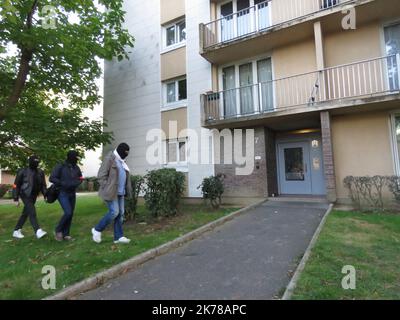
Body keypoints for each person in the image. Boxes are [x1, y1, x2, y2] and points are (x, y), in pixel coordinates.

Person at [92, 143, 132, 244]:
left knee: (120, 214)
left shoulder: (122, 161)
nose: (126, 154)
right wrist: (107, 187)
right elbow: (101, 176)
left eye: (127, 153)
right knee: (114, 212)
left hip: (120, 192)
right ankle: (97, 229)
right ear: (119, 151)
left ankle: (118, 237)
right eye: (125, 152)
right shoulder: (110, 159)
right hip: (111, 192)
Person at [50, 150, 83, 241]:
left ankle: (66, 234)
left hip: (72, 192)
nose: (77, 159)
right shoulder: (60, 166)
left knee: (70, 214)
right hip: (62, 192)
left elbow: (80, 177)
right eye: (75, 157)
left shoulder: (76, 167)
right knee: (68, 212)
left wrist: (78, 182)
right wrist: (63, 183)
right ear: (70, 157)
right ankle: (58, 230)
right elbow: (52, 178)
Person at [12, 155, 48, 239]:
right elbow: (16, 185)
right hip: (24, 193)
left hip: (34, 195)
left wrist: (45, 195)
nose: (36, 163)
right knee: (32, 211)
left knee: (26, 213)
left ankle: (16, 231)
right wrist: (16, 198)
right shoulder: (22, 171)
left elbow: (43, 185)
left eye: (37, 162)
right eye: (34, 161)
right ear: (30, 162)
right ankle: (38, 231)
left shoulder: (40, 172)